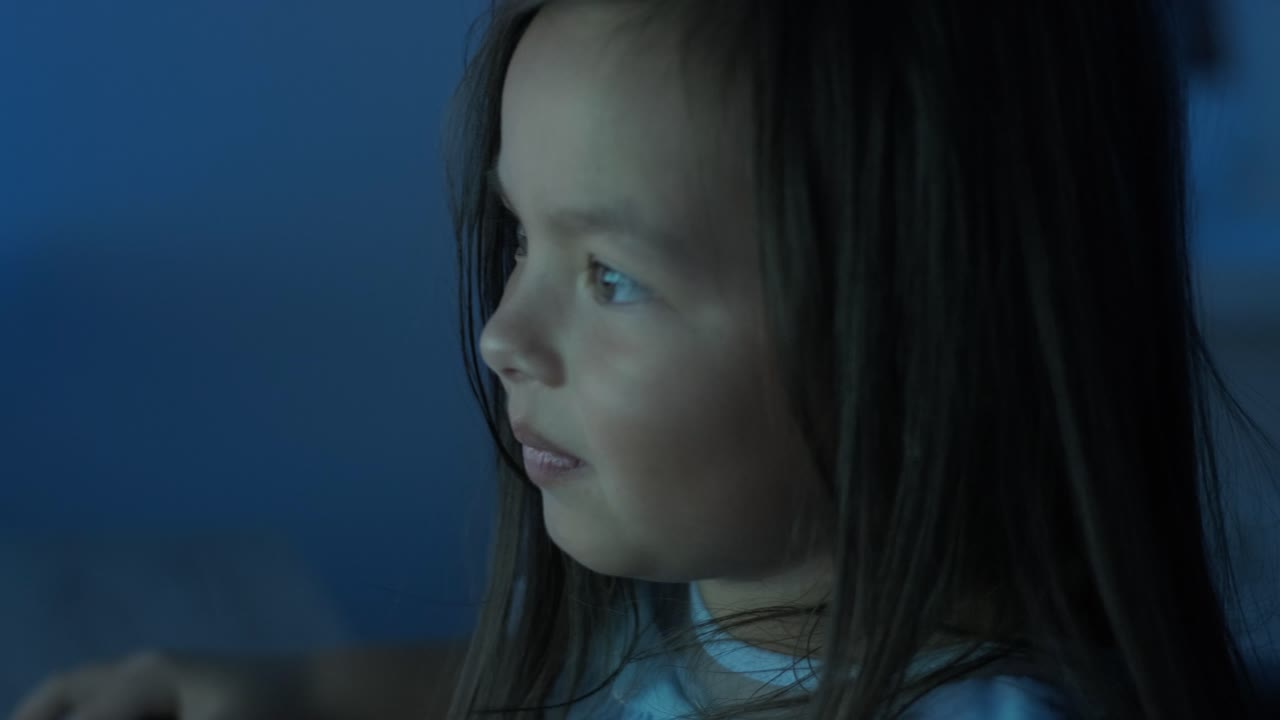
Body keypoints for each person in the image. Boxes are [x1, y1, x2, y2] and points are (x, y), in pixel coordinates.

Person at [9, 0, 1278, 718]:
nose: (505, 337)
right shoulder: (726, 621)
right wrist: (288, 689)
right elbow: (584, 696)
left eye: (611, 277)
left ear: (929, 323)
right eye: (518, 239)